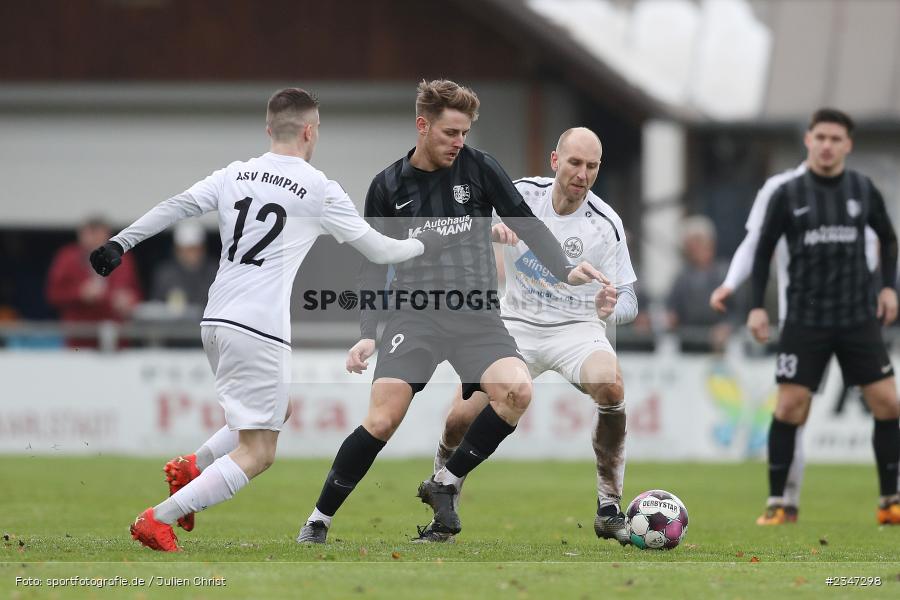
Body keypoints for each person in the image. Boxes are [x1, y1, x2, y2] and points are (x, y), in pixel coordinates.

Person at [89, 87, 444, 552]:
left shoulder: (235, 174)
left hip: (215, 321)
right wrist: (427, 242)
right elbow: (381, 250)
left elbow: (175, 206)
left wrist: (120, 243)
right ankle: (158, 518)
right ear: (311, 131)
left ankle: (191, 467)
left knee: (278, 410)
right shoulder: (319, 188)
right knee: (259, 451)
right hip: (260, 327)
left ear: (268, 129)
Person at [296, 80, 605, 544]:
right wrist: (367, 331)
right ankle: (318, 520)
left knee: (517, 392)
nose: (460, 143)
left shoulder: (480, 169)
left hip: (476, 315)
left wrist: (564, 269)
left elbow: (527, 222)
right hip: (413, 315)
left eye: (464, 134)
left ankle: (444, 482)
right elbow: (371, 263)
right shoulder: (387, 185)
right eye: (451, 133)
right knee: (383, 418)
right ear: (423, 126)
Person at [414, 127, 637, 544]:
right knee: (459, 419)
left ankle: (609, 506)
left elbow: (630, 300)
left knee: (611, 386)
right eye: (574, 163)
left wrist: (613, 309)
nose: (581, 174)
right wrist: (488, 233)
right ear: (555, 161)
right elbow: (452, 229)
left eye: (591, 166)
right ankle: (444, 505)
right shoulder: (520, 196)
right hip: (513, 324)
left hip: (577, 329)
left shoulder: (606, 224)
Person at [747, 108, 900, 526]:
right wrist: (757, 306)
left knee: (888, 403)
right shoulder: (788, 193)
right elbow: (762, 251)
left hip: (857, 317)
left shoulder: (863, 189)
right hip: (806, 319)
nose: (828, 145)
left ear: (848, 144)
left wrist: (889, 287)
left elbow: (888, 240)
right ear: (808, 141)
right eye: (821, 137)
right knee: (790, 406)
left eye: (836, 138)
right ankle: (779, 504)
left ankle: (891, 501)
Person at [46, 217, 142, 348]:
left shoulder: (123, 258)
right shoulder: (68, 258)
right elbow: (53, 294)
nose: (95, 239)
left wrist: (129, 301)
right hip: (79, 337)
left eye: (99, 234)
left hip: (116, 338)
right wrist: (80, 293)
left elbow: (135, 292)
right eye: (91, 233)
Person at [666, 216, 732, 353]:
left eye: (698, 242)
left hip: (723, 348)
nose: (693, 248)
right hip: (689, 348)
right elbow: (672, 308)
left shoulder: (725, 275)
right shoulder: (682, 278)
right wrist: (671, 318)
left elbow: (739, 311)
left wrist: (727, 326)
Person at [150, 220, 217, 314]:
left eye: (195, 249)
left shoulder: (214, 273)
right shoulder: (165, 274)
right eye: (187, 250)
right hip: (174, 326)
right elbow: (156, 307)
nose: (192, 254)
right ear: (177, 250)